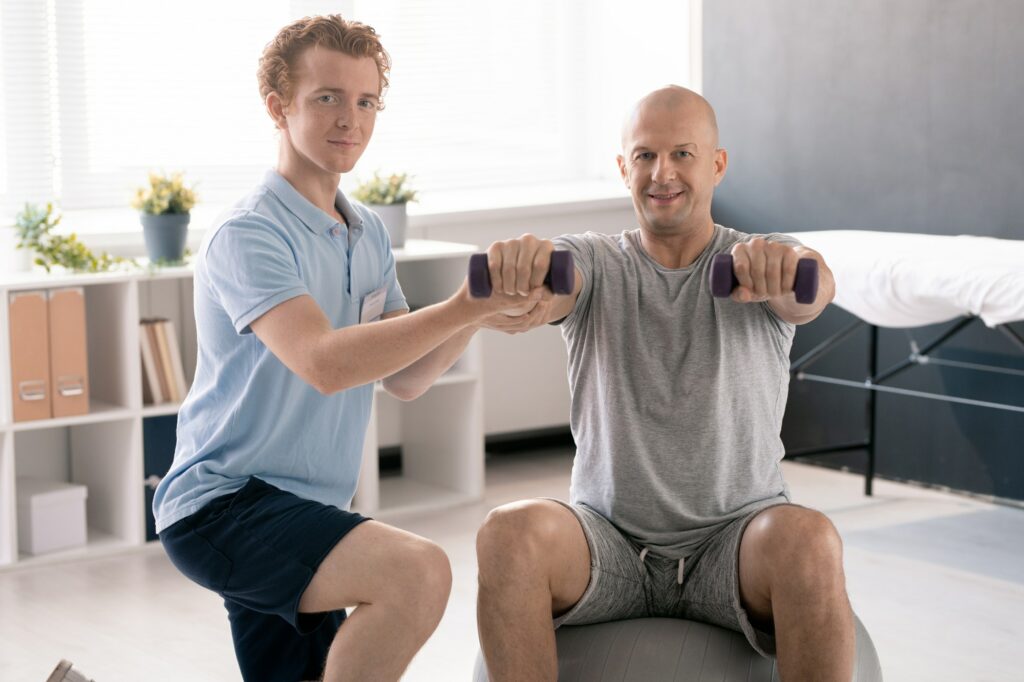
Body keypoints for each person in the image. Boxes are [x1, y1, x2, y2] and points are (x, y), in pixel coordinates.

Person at [152, 15, 538, 682]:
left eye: (365, 102)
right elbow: (324, 363)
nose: (349, 120)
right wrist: (459, 307)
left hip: (307, 510)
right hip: (225, 503)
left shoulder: (366, 234)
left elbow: (407, 378)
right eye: (327, 97)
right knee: (417, 574)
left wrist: (477, 319)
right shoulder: (251, 234)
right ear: (279, 107)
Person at [473, 85, 854, 681]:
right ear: (624, 168)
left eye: (682, 153)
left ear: (717, 164)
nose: (662, 173)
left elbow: (812, 288)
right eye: (645, 156)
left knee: (810, 538)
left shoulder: (761, 260)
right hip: (608, 541)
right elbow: (555, 285)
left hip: (735, 541)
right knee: (507, 532)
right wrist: (526, 275)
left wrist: (793, 275)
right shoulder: (596, 262)